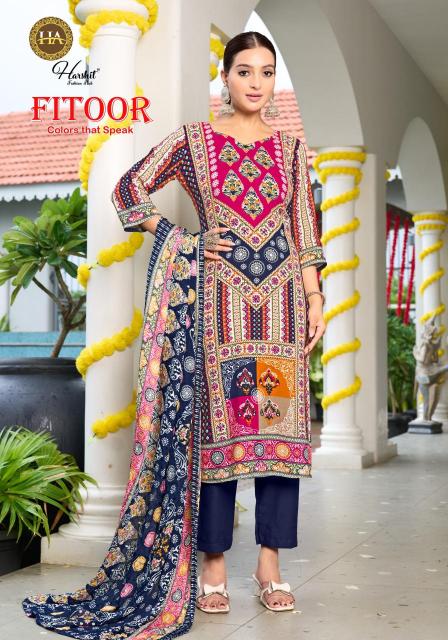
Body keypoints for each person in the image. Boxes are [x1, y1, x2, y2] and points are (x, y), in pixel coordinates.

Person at [22, 30, 326, 639]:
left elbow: (305, 231)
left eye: (267, 72)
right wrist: (179, 238)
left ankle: (269, 565)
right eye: (245, 71)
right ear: (225, 77)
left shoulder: (293, 151)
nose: (257, 83)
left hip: (281, 312)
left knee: (279, 441)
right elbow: (126, 191)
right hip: (216, 310)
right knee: (216, 443)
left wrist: (316, 298)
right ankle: (212, 565)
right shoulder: (195, 142)